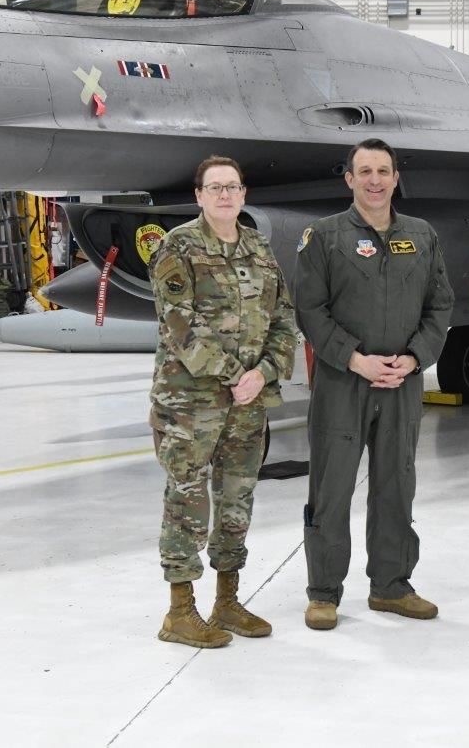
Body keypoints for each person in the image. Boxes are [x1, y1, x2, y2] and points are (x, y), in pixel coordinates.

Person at [293, 138, 454, 631]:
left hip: (401, 384)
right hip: (344, 383)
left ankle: (391, 586)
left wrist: (413, 360)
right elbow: (310, 310)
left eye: (383, 171)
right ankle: (323, 592)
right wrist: (354, 360)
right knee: (332, 487)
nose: (375, 180)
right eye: (365, 171)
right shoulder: (324, 237)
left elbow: (440, 306)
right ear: (349, 179)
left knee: (396, 484)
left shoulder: (421, 236)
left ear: (396, 176)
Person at [149, 155, 297, 648]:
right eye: (215, 187)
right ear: (199, 196)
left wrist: (265, 373)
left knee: (236, 500)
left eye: (232, 187)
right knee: (187, 500)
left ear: (243, 193)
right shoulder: (179, 247)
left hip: (247, 403)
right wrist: (239, 374)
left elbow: (283, 319)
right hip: (190, 404)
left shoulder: (257, 247)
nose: (225, 195)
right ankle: (180, 611)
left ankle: (227, 601)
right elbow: (180, 328)